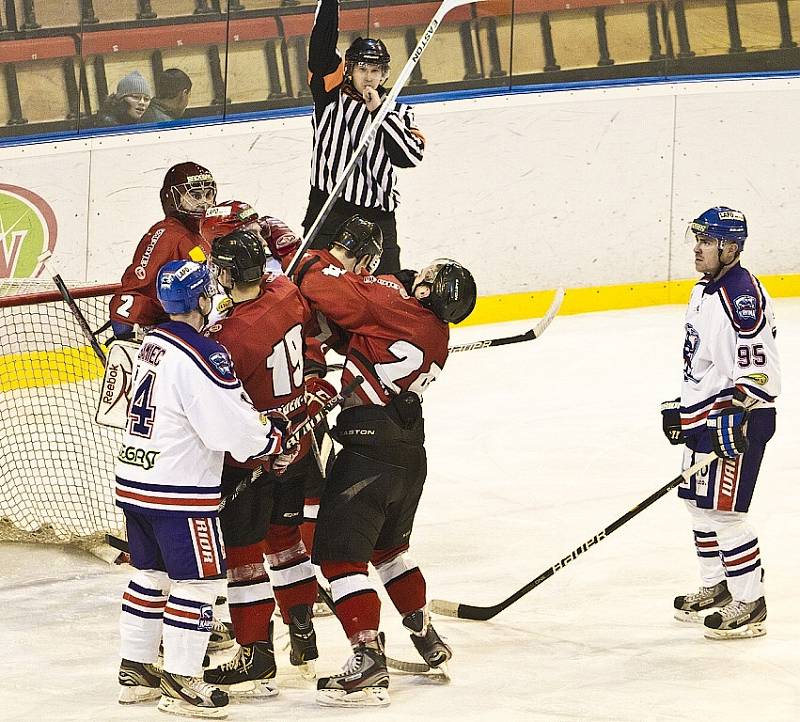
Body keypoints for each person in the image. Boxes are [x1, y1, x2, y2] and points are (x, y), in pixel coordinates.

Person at [292, 217, 477, 706]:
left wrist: (317, 257)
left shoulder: (394, 305)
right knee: (390, 552)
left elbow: (325, 290)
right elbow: (360, 334)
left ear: (431, 288)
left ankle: (367, 659)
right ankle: (425, 636)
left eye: (428, 275)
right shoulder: (436, 335)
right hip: (407, 456)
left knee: (339, 559)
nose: (419, 273)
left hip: (367, 455)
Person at [115, 259, 290, 717]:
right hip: (180, 492)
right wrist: (270, 435)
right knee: (197, 583)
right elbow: (229, 432)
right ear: (201, 299)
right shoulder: (203, 354)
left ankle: (136, 670)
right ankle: (182, 680)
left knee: (149, 576)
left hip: (136, 481)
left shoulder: (152, 343)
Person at [200, 230, 324, 694]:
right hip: (297, 441)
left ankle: (256, 655)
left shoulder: (230, 337)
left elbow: (213, 402)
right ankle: (304, 634)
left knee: (244, 558)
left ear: (229, 273)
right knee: (287, 544)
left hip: (255, 456)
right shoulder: (287, 294)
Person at [663, 206, 779, 640]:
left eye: (707, 240)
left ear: (730, 247)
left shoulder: (740, 297)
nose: (697, 247)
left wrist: (738, 414)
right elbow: (703, 361)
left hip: (737, 422)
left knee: (726, 514)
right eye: (698, 238)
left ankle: (750, 602)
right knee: (698, 505)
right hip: (705, 418)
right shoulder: (705, 289)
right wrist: (682, 406)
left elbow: (761, 370)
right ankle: (717, 588)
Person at [303, 0, 426, 275]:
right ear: (349, 70)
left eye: (375, 71)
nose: (369, 78)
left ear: (383, 74)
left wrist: (378, 111)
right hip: (328, 209)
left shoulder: (398, 111)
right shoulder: (329, 96)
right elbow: (321, 43)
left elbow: (409, 156)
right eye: (362, 70)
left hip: (378, 216)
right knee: (316, 286)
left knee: (386, 288)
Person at [109, 161, 217, 339]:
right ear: (172, 198)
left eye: (208, 195)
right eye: (195, 196)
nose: (204, 203)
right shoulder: (166, 236)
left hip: (186, 326)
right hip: (157, 332)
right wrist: (129, 331)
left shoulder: (198, 234)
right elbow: (136, 288)